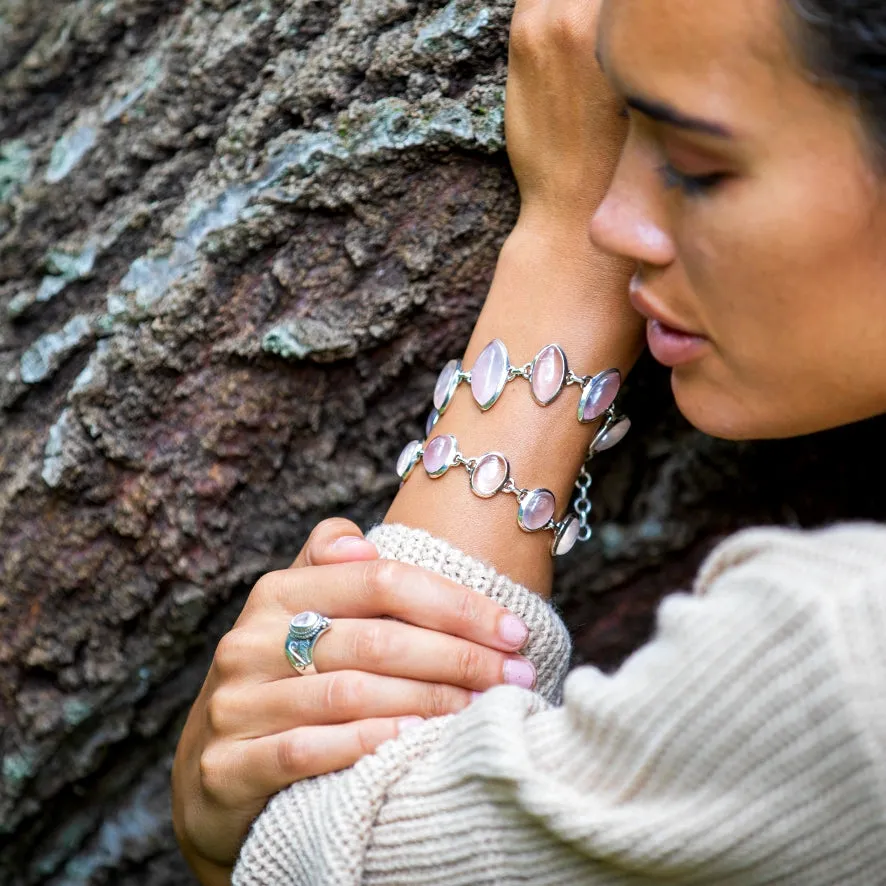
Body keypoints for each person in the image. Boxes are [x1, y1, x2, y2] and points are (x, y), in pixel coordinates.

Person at [171, 0, 886, 883]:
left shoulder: (847, 653)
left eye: (699, 166)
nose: (612, 224)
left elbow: (309, 845)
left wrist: (559, 266)